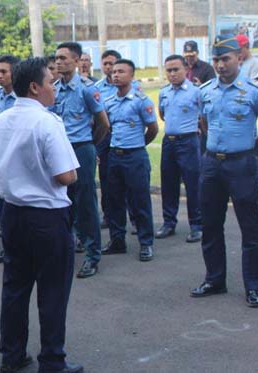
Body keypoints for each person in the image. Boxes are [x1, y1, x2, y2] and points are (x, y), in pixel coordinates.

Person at [0, 57, 83, 373]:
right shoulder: (46, 122)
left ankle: (12, 356)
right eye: (50, 82)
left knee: (15, 287)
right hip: (46, 217)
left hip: (12, 213)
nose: (54, 88)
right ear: (34, 87)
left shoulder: (0, 120)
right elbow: (66, 176)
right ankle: (52, 360)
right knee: (52, 291)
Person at [190, 35, 258, 308]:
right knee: (210, 224)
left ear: (239, 58)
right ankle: (215, 279)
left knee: (250, 227)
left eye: (226, 59)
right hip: (211, 163)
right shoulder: (205, 91)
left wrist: (250, 149)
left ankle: (254, 285)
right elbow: (205, 122)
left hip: (241, 164)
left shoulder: (253, 91)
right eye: (217, 59)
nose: (220, 65)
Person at [51, 42, 110, 279]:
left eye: (64, 58)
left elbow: (103, 123)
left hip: (81, 148)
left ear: (77, 61)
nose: (59, 62)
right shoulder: (53, 89)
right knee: (62, 201)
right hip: (59, 150)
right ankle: (68, 246)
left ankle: (92, 255)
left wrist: (90, 146)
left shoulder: (87, 88)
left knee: (86, 203)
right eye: (57, 58)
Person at [101, 59, 158, 262]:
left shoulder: (141, 101)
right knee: (114, 200)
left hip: (135, 156)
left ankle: (146, 243)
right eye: (114, 72)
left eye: (121, 71)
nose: (116, 74)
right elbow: (107, 128)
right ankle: (117, 241)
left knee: (140, 201)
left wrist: (138, 145)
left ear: (132, 76)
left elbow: (153, 130)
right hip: (115, 156)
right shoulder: (109, 102)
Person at [155, 55, 203, 243]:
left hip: (189, 141)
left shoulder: (195, 92)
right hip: (169, 141)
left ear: (186, 70)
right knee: (169, 183)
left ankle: (197, 225)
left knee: (193, 184)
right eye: (169, 70)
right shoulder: (164, 92)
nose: (172, 74)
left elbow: (203, 116)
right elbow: (163, 114)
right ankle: (169, 222)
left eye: (176, 69)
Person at [95, 50, 141, 232]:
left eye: (112, 64)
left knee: (131, 184)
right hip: (106, 138)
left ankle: (135, 219)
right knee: (108, 181)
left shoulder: (134, 86)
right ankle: (110, 217)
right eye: (105, 64)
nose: (109, 68)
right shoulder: (97, 87)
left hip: (127, 139)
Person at [0, 54, 20, 264]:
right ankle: (8, 249)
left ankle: (21, 250)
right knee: (4, 208)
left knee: (20, 207)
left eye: (4, 72)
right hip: (1, 158)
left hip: (18, 158)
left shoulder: (23, 97)